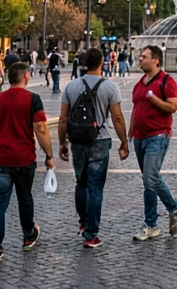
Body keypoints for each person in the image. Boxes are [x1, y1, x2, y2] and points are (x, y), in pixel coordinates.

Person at [0, 61, 54, 264]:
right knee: (25, 198)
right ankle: (29, 234)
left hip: (1, 159)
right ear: (26, 77)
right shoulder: (33, 99)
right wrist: (49, 155)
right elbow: (40, 128)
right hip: (24, 159)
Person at [58, 47, 129, 249]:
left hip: (77, 140)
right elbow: (116, 117)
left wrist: (62, 142)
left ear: (83, 63)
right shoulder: (110, 87)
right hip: (100, 140)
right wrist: (123, 142)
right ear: (102, 63)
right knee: (95, 187)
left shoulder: (71, 87)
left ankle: (83, 222)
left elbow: (63, 119)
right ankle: (91, 234)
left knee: (81, 182)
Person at [129, 45, 177, 241]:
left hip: (158, 135)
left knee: (151, 177)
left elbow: (172, 107)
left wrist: (154, 99)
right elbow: (136, 110)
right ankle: (151, 224)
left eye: (144, 57)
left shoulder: (167, 82)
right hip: (140, 137)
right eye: (140, 56)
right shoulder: (139, 84)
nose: (140, 59)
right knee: (147, 181)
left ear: (156, 60)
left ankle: (173, 206)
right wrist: (129, 135)